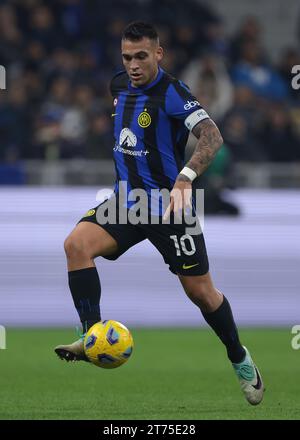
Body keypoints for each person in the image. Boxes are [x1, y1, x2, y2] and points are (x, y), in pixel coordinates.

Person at [55, 21, 264, 406]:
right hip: (128, 204)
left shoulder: (173, 92)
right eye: (127, 57)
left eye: (141, 57)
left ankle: (238, 356)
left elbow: (212, 136)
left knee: (201, 293)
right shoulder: (118, 85)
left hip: (171, 208)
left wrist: (185, 177)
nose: (133, 65)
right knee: (75, 245)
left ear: (158, 54)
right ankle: (91, 337)